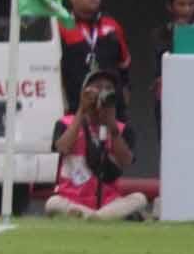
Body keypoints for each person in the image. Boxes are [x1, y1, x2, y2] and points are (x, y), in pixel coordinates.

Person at [46, 69, 149, 219]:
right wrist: (82, 110)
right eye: (98, 87)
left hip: (109, 202)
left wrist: (111, 125)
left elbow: (126, 161)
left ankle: (94, 217)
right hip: (71, 199)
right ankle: (102, 217)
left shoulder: (122, 129)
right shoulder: (65, 123)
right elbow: (63, 148)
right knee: (53, 203)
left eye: (108, 88)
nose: (103, 92)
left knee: (140, 198)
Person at [56, 0, 131, 119]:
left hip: (111, 109)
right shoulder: (62, 26)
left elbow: (125, 69)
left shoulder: (112, 26)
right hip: (76, 110)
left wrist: (124, 106)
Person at [150, 0, 194, 127]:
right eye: (181, 4)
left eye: (191, 4)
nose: (187, 10)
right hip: (168, 98)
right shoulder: (160, 34)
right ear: (170, 6)